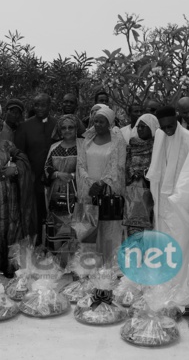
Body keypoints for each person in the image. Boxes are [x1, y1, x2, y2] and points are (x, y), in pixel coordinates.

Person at [146, 106, 189, 298]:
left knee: (182, 245)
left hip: (182, 203)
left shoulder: (188, 138)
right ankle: (166, 285)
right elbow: (156, 170)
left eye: (170, 125)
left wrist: (186, 198)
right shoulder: (159, 136)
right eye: (163, 127)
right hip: (162, 203)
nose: (167, 130)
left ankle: (183, 290)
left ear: (177, 119)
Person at [0, 115, 36, 276]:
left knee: (10, 229)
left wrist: (15, 168)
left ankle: (10, 268)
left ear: (0, 129)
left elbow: (24, 160)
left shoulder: (8, 145)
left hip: (10, 196)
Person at [77, 105, 126, 260]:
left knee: (109, 230)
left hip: (108, 193)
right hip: (88, 192)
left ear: (110, 123)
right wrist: (90, 183)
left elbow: (119, 165)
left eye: (101, 122)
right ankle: (87, 268)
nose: (97, 125)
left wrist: (102, 183)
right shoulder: (87, 141)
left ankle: (109, 269)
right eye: (95, 121)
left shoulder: (117, 141)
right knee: (86, 231)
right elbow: (80, 164)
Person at [15, 93, 57, 242]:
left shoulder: (57, 124)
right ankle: (36, 249)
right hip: (33, 181)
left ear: (49, 106)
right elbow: (18, 154)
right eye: (36, 105)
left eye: (43, 105)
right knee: (35, 218)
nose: (39, 108)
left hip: (55, 181)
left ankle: (54, 251)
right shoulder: (25, 127)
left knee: (56, 218)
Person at [44, 114, 85, 246]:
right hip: (56, 194)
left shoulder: (83, 145)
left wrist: (72, 175)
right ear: (59, 130)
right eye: (64, 128)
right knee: (57, 228)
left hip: (77, 193)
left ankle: (73, 263)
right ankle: (57, 263)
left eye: (71, 127)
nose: (67, 130)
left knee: (75, 229)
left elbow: (87, 167)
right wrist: (57, 174)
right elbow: (47, 167)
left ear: (76, 128)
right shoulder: (54, 147)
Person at [123, 113, 160, 235]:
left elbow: (159, 168)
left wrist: (145, 174)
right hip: (133, 193)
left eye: (143, 127)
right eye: (138, 126)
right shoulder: (131, 145)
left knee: (151, 229)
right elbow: (126, 166)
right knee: (134, 228)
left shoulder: (158, 146)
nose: (139, 129)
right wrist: (133, 174)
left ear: (152, 127)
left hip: (152, 191)